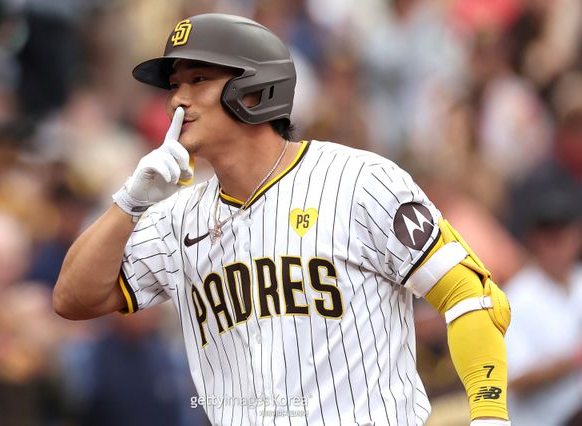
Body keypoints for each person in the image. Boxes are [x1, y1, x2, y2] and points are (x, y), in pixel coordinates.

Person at [54, 13, 511, 426]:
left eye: (198, 79)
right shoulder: (175, 218)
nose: (177, 100)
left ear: (254, 89)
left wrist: (489, 414)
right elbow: (73, 298)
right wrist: (130, 202)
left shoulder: (360, 181)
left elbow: (471, 295)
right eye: (174, 85)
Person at [504, 175, 582, 426]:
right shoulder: (515, 298)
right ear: (533, 241)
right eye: (548, 235)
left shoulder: (579, 280)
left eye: (563, 233)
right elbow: (514, 380)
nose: (556, 244)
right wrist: (574, 359)